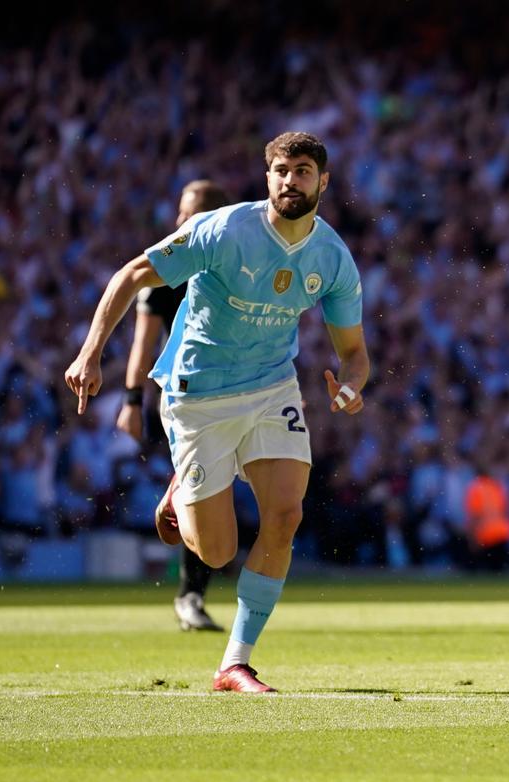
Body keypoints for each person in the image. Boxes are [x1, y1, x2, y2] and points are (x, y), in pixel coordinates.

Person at [66, 132, 369, 692]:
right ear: (267, 178)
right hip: (198, 394)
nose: (291, 181)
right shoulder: (223, 229)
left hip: (272, 388)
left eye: (303, 171)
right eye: (281, 171)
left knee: (285, 517)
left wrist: (350, 387)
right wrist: (90, 353)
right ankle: (181, 491)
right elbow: (131, 275)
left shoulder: (332, 257)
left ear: (323, 182)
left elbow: (354, 354)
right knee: (219, 551)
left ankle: (234, 662)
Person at [116, 180, 235, 633]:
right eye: (181, 212)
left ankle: (191, 587)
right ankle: (191, 594)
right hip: (188, 391)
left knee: (226, 482)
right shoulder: (165, 267)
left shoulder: (237, 263)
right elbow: (143, 343)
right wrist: (132, 400)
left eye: (191, 213)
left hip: (242, 385)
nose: (181, 221)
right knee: (207, 487)